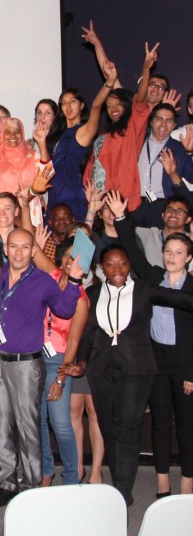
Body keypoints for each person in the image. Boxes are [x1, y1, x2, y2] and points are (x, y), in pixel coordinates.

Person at [76, 244, 193, 505]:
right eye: (110, 264)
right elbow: (87, 332)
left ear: (130, 265)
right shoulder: (92, 293)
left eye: (123, 264)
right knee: (108, 428)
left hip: (136, 370)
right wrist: (82, 362)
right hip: (100, 371)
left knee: (127, 428)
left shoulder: (143, 289)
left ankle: (123, 491)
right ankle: (119, 481)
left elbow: (179, 299)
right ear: (102, 268)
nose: (117, 269)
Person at [0, 228, 84, 507]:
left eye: (25, 247)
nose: (18, 252)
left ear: (33, 251)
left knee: (28, 427)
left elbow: (64, 309)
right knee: (1, 425)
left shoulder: (42, 281)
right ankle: (7, 482)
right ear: (6, 249)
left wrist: (74, 280)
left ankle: (29, 486)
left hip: (25, 364)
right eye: (13, 246)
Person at [109, 192, 193, 496]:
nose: (171, 256)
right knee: (160, 423)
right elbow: (133, 252)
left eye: (178, 252)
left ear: (188, 258)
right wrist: (121, 218)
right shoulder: (154, 278)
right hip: (157, 362)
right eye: (168, 251)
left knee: (187, 426)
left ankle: (187, 483)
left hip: (185, 365)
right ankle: (162, 482)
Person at [36, 239, 90, 487]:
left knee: (60, 424)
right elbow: (33, 249)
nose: (71, 260)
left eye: (76, 257)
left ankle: (71, 478)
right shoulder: (52, 275)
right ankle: (46, 472)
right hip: (35, 357)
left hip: (58, 361)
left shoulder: (81, 299)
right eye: (68, 255)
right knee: (38, 421)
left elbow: (74, 342)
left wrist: (60, 379)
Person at [83, 43, 156, 214]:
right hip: (99, 204)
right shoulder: (103, 136)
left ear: (127, 106)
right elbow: (92, 168)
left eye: (118, 104)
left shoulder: (132, 127)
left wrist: (146, 68)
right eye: (109, 106)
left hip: (123, 203)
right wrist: (96, 44)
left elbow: (139, 98)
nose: (113, 109)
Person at [46, 62, 117, 222]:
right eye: (63, 102)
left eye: (72, 101)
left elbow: (96, 106)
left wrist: (109, 82)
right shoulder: (57, 133)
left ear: (81, 105)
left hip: (73, 196)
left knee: (76, 235)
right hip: (54, 194)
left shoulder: (84, 131)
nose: (67, 106)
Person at [132, 103, 193, 228]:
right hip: (134, 203)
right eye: (159, 119)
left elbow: (191, 177)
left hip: (162, 207)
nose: (163, 125)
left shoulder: (179, 148)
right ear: (151, 122)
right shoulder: (137, 142)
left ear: (174, 125)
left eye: (169, 121)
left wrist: (188, 152)